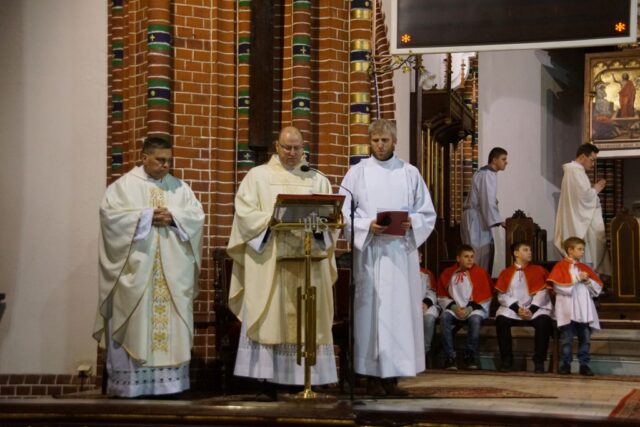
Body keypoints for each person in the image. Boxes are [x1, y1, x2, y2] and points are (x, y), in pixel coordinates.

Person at [227, 126, 339, 401]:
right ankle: (266, 381)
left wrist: (318, 225)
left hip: (307, 261)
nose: (292, 153)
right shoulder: (258, 177)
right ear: (276, 147)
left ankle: (303, 379)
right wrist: (273, 220)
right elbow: (245, 215)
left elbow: (330, 221)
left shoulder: (317, 179)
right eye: (287, 147)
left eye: (297, 148)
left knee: (307, 315)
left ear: (303, 148)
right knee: (269, 315)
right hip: (271, 262)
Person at [93, 137, 205, 397]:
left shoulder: (180, 189)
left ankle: (171, 386)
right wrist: (145, 217)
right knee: (135, 325)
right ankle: (131, 387)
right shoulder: (122, 188)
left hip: (172, 274)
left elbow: (196, 217)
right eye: (160, 160)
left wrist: (174, 217)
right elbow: (110, 219)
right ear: (144, 157)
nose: (166, 165)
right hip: (136, 274)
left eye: (169, 160)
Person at [339, 119, 436, 396]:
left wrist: (412, 222)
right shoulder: (357, 173)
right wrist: (366, 225)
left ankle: (393, 378)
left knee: (398, 314)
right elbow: (343, 213)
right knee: (370, 315)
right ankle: (370, 375)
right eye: (375, 141)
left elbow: (426, 213)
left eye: (385, 140)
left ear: (395, 142)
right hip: (370, 253)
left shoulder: (409, 173)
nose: (380, 145)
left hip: (400, 253)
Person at [547, 237, 603, 376]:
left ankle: (584, 365)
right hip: (568, 309)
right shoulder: (560, 266)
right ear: (570, 250)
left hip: (584, 309)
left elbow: (596, 289)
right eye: (580, 249)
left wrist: (588, 281)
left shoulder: (584, 268)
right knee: (566, 339)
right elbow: (558, 287)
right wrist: (577, 278)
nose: (582, 252)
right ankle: (565, 364)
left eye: (583, 249)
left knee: (585, 339)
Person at [494, 242, 552, 374]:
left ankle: (539, 361)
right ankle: (507, 360)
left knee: (543, 322)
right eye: (525, 250)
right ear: (516, 253)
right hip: (513, 309)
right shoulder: (506, 272)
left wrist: (532, 309)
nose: (530, 252)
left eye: (530, 250)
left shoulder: (538, 270)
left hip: (535, 308)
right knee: (501, 320)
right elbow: (502, 295)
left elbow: (543, 292)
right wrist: (517, 309)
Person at [554, 143, 611, 275]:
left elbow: (582, 196)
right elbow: (583, 198)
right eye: (592, 160)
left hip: (579, 218)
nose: (593, 164)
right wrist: (596, 189)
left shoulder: (576, 171)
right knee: (585, 255)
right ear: (583, 156)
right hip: (579, 222)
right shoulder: (574, 171)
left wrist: (593, 191)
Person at [436, 245, 493, 370]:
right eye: (466, 256)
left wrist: (468, 309)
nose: (470, 259)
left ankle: (470, 355)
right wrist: (455, 308)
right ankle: (450, 357)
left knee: (475, 320)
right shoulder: (448, 273)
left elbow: (485, 297)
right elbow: (442, 296)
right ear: (458, 258)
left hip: (474, 309)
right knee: (444, 318)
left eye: (472, 257)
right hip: (454, 308)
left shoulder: (480, 273)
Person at [460, 147, 508, 273]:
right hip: (476, 220)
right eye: (503, 159)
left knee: (477, 253)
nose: (506, 162)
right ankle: (477, 283)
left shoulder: (482, 172)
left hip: (474, 217)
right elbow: (487, 199)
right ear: (494, 160)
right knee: (478, 255)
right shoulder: (488, 174)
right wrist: (499, 221)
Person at [421, 265, 440, 361]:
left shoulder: (425, 273)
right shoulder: (400, 271)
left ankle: (424, 352)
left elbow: (431, 292)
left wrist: (426, 303)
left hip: (425, 305)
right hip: (406, 306)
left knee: (428, 319)